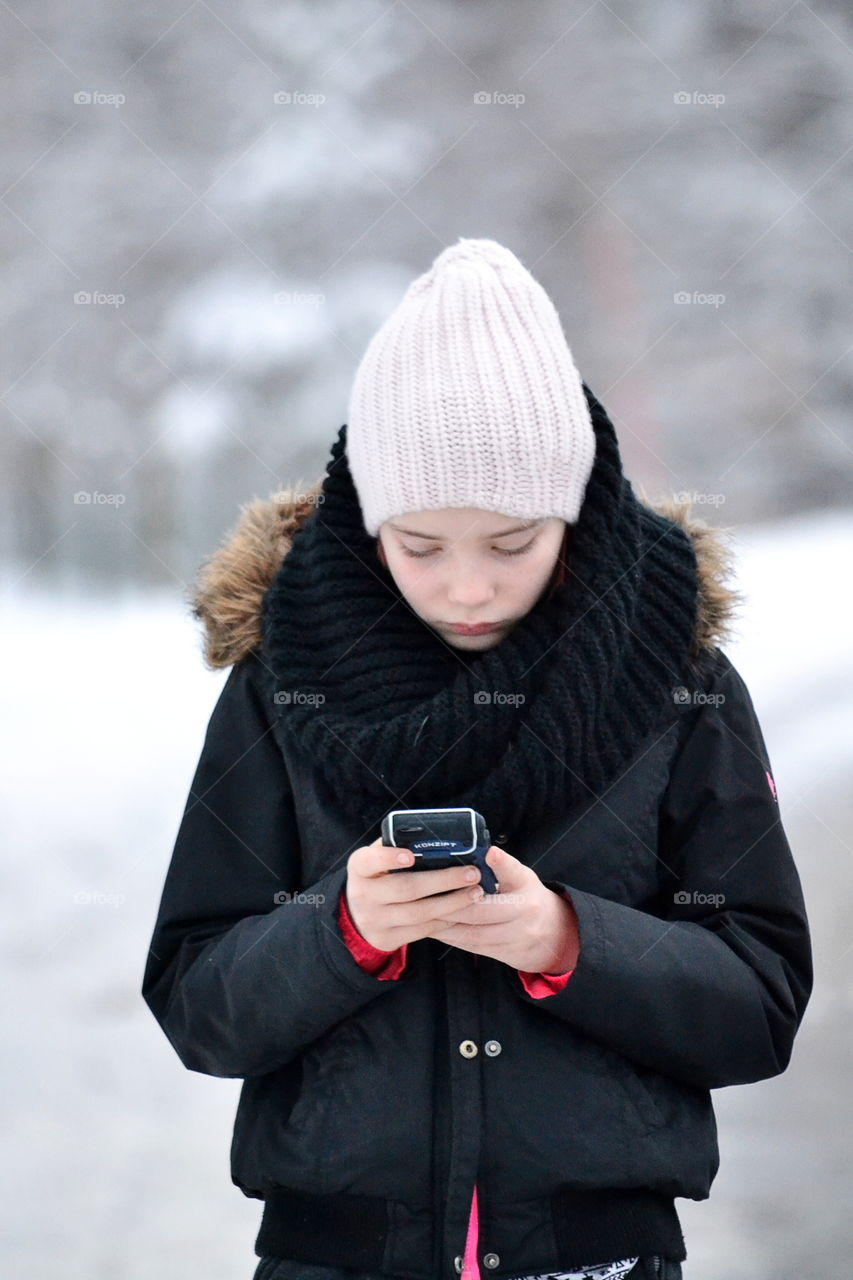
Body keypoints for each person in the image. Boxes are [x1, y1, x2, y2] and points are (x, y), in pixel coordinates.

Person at [141, 238, 812, 1280]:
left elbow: (758, 1006)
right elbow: (199, 1007)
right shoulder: (282, 682)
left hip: (600, 1258)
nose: (466, 588)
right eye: (419, 546)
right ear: (368, 523)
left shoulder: (678, 681)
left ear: (576, 513)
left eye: (510, 544)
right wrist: (343, 930)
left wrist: (565, 940)